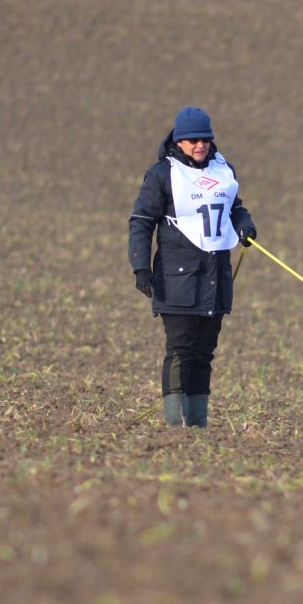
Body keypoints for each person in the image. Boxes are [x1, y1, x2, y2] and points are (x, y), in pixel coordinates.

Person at [128, 106, 257, 427]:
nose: (201, 145)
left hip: (216, 279)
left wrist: (245, 225)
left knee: (203, 353)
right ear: (179, 141)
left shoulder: (223, 169)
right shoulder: (162, 174)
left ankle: (197, 427)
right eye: (193, 140)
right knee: (180, 351)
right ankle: (175, 427)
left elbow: (235, 207)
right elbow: (141, 221)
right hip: (177, 280)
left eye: (206, 139)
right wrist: (140, 267)